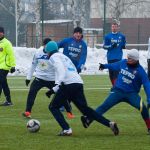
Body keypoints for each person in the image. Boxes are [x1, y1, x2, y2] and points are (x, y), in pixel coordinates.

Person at [44, 41, 119, 136]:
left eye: (46, 51)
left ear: (49, 51)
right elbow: (72, 70)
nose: (46, 53)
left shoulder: (53, 57)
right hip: (78, 82)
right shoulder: (63, 56)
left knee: (53, 107)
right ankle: (109, 123)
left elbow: (61, 71)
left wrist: (55, 88)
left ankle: (66, 129)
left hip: (68, 84)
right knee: (86, 110)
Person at [81, 49, 150, 134]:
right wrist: (104, 66)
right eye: (127, 57)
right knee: (103, 106)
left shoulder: (140, 71)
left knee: (143, 108)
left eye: (130, 59)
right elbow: (114, 65)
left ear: (135, 60)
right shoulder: (123, 62)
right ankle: (88, 120)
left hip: (131, 94)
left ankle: (149, 127)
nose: (127, 59)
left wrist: (149, 98)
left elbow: (147, 85)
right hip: (117, 92)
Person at [22, 38, 74, 119]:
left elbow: (60, 68)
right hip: (39, 78)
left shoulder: (56, 54)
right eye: (46, 45)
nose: (47, 47)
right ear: (43, 45)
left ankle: (69, 111)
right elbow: (33, 65)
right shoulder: (37, 53)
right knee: (32, 92)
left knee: (61, 94)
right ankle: (28, 111)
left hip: (52, 79)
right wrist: (28, 78)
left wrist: (60, 80)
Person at [0, 27, 16, 106]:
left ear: (3, 33)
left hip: (5, 66)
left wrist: (13, 66)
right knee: (3, 83)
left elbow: (11, 55)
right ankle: (9, 100)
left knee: (1, 81)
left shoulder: (7, 43)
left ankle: (9, 101)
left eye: (0, 32)